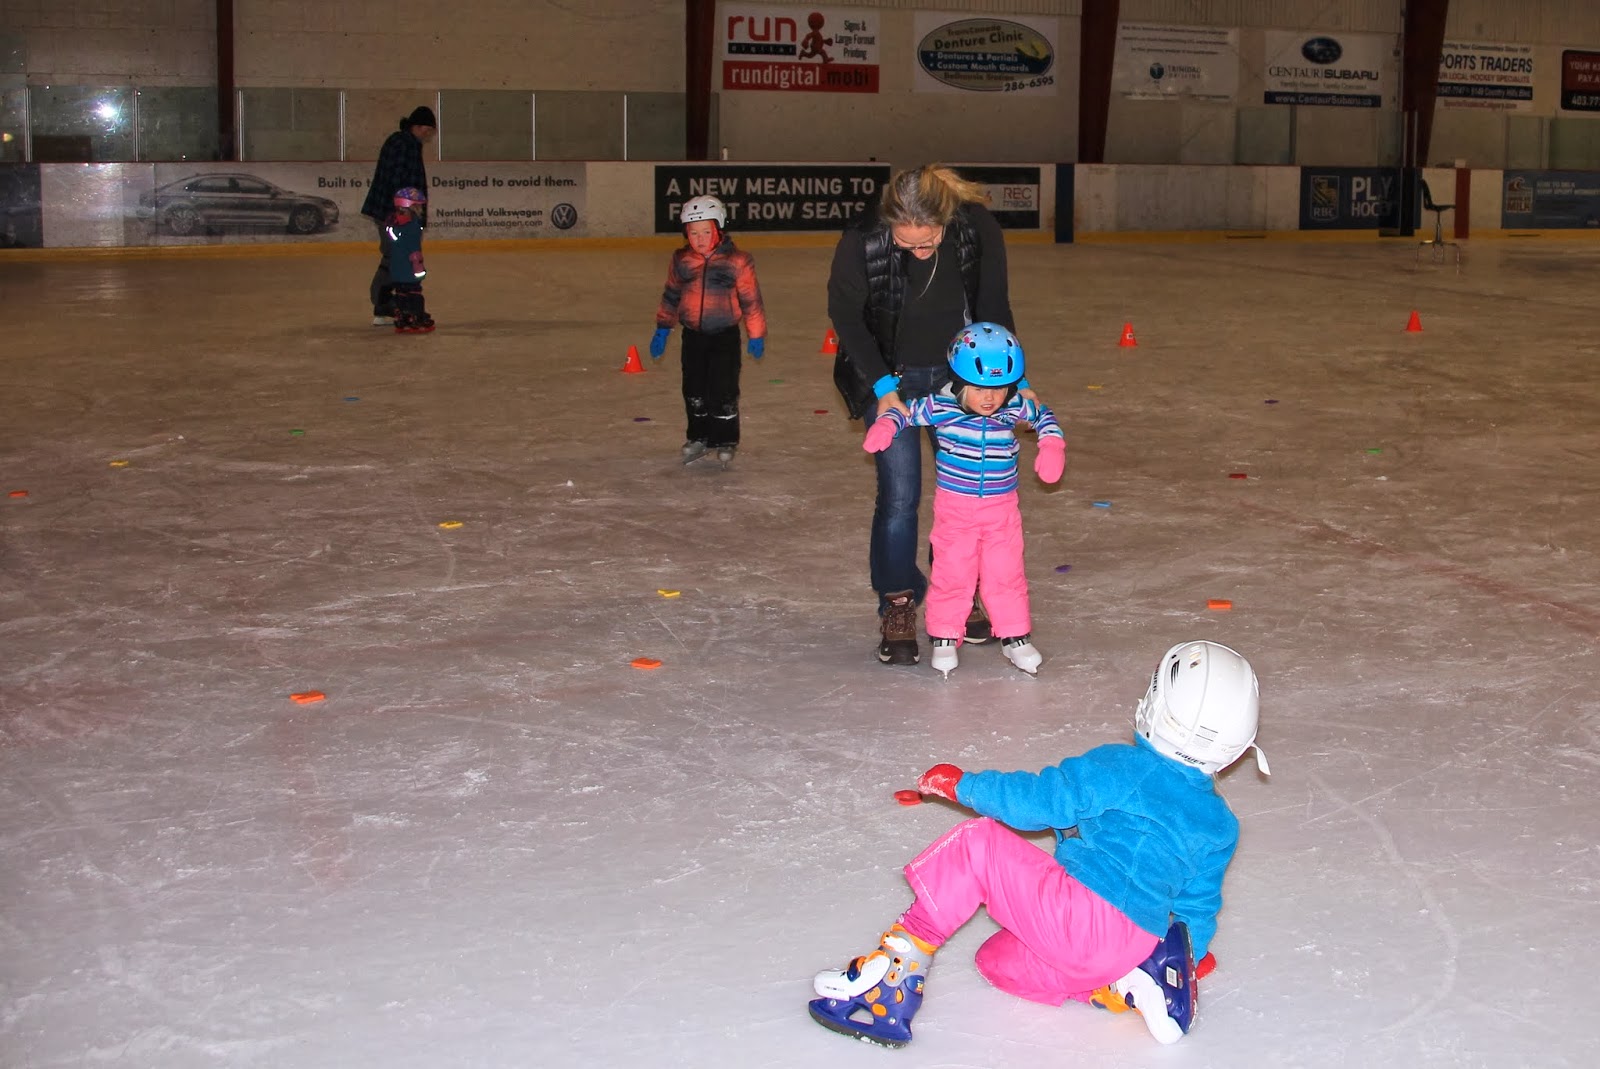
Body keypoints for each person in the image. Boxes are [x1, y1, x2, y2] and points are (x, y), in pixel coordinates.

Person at [809, 640, 1270, 1049]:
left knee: (978, 845)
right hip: (1131, 943)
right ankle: (1122, 985)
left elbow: (1039, 801)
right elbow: (1198, 904)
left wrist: (966, 787)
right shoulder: (1219, 823)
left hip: (1081, 913)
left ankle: (894, 974)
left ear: (1157, 707)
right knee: (995, 960)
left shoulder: (1120, 766)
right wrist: (1187, 960)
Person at [828, 164, 1016, 667]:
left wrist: (1005, 382)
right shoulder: (863, 239)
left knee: (963, 495)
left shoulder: (976, 230)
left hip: (961, 380)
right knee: (899, 495)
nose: (917, 251)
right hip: (890, 377)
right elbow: (845, 314)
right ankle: (897, 602)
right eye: (905, 243)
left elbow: (994, 307)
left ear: (945, 219)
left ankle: (956, 596)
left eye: (927, 240)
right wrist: (883, 387)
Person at [863, 323, 1064, 677]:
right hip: (956, 511)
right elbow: (906, 412)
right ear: (958, 383)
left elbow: (1043, 416)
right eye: (980, 389)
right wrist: (887, 424)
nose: (991, 398)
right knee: (953, 571)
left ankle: (1015, 636)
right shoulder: (942, 406)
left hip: (1002, 511)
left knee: (1006, 574)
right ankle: (944, 636)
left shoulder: (1012, 406)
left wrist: (1051, 444)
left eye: (1000, 388)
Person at [650, 195, 767, 465]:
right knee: (693, 388)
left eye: (706, 231)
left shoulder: (738, 260)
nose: (700, 238)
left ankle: (726, 439)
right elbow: (671, 295)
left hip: (724, 335)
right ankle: (698, 437)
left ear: (719, 229)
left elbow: (751, 299)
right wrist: (663, 328)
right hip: (693, 335)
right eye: (693, 232)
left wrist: (756, 333)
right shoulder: (681, 260)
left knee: (723, 390)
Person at [361, 105, 435, 326]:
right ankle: (383, 302)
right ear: (418, 126)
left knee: (395, 255)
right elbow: (397, 180)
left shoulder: (405, 142)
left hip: (393, 210)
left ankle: (386, 304)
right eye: (427, 130)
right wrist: (404, 212)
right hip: (393, 212)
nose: (428, 135)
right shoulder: (404, 145)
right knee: (396, 256)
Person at [386, 187, 432, 333]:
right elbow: (414, 252)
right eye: (418, 206)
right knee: (414, 292)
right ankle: (416, 316)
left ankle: (403, 317)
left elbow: (393, 241)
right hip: (409, 268)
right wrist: (419, 270)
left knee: (400, 292)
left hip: (396, 268)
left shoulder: (393, 225)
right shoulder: (412, 226)